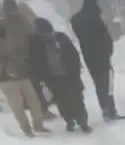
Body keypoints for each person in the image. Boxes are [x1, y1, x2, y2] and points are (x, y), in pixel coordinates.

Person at [30, 18, 91, 133]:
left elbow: (73, 56)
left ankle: (82, 122)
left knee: (76, 99)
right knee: (62, 101)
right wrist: (42, 79)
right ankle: (70, 122)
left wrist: (76, 72)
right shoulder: (37, 44)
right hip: (53, 78)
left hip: (69, 75)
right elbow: (37, 63)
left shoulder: (61, 38)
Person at [0, 0, 49, 137]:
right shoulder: (2, 25)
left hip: (22, 70)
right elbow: (4, 48)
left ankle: (38, 126)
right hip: (6, 75)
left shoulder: (21, 23)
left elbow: (29, 38)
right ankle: (26, 129)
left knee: (34, 101)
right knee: (17, 105)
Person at [70, 0, 124, 122]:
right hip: (102, 56)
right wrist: (109, 51)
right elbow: (104, 36)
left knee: (98, 84)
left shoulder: (75, 20)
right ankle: (111, 110)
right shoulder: (94, 19)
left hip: (89, 57)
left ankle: (105, 109)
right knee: (107, 83)